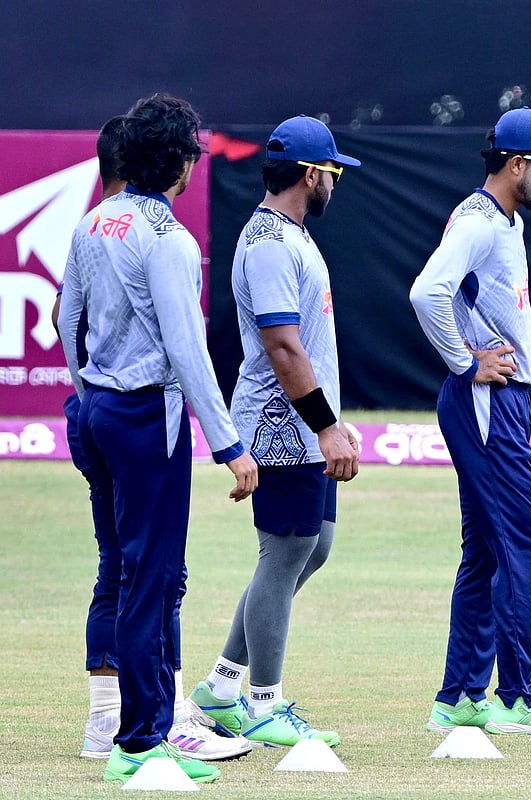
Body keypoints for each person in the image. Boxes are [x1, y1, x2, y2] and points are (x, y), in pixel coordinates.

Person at [58, 93, 259, 784]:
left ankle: (127, 725)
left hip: (98, 410)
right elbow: (186, 349)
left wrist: (88, 398)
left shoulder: (94, 223)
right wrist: (230, 443)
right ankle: (142, 737)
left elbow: (66, 319)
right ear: (179, 164)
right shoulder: (170, 239)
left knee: (124, 568)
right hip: (148, 417)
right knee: (153, 577)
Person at [410, 108, 531, 736]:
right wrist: (466, 363)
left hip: (495, 402)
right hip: (487, 401)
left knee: (487, 550)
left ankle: (460, 696)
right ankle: (518, 696)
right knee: (521, 544)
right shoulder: (481, 222)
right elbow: (425, 290)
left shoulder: (499, 220)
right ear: (517, 164)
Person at [188, 116, 359, 748]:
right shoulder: (268, 243)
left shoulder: (291, 236)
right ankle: (263, 700)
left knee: (312, 548)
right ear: (311, 174)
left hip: (307, 426)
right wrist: (325, 427)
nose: (335, 184)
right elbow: (283, 348)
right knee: (285, 552)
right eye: (333, 173)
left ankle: (222, 685)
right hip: (280, 425)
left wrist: (334, 423)